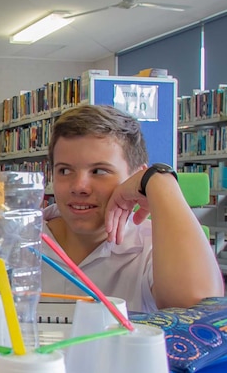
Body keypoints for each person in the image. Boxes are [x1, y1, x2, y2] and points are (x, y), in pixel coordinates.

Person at [43, 104, 223, 313]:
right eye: (64, 170)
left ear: (135, 177)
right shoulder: (17, 239)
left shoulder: (153, 246)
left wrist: (158, 181)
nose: (79, 187)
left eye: (99, 171)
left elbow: (196, 310)